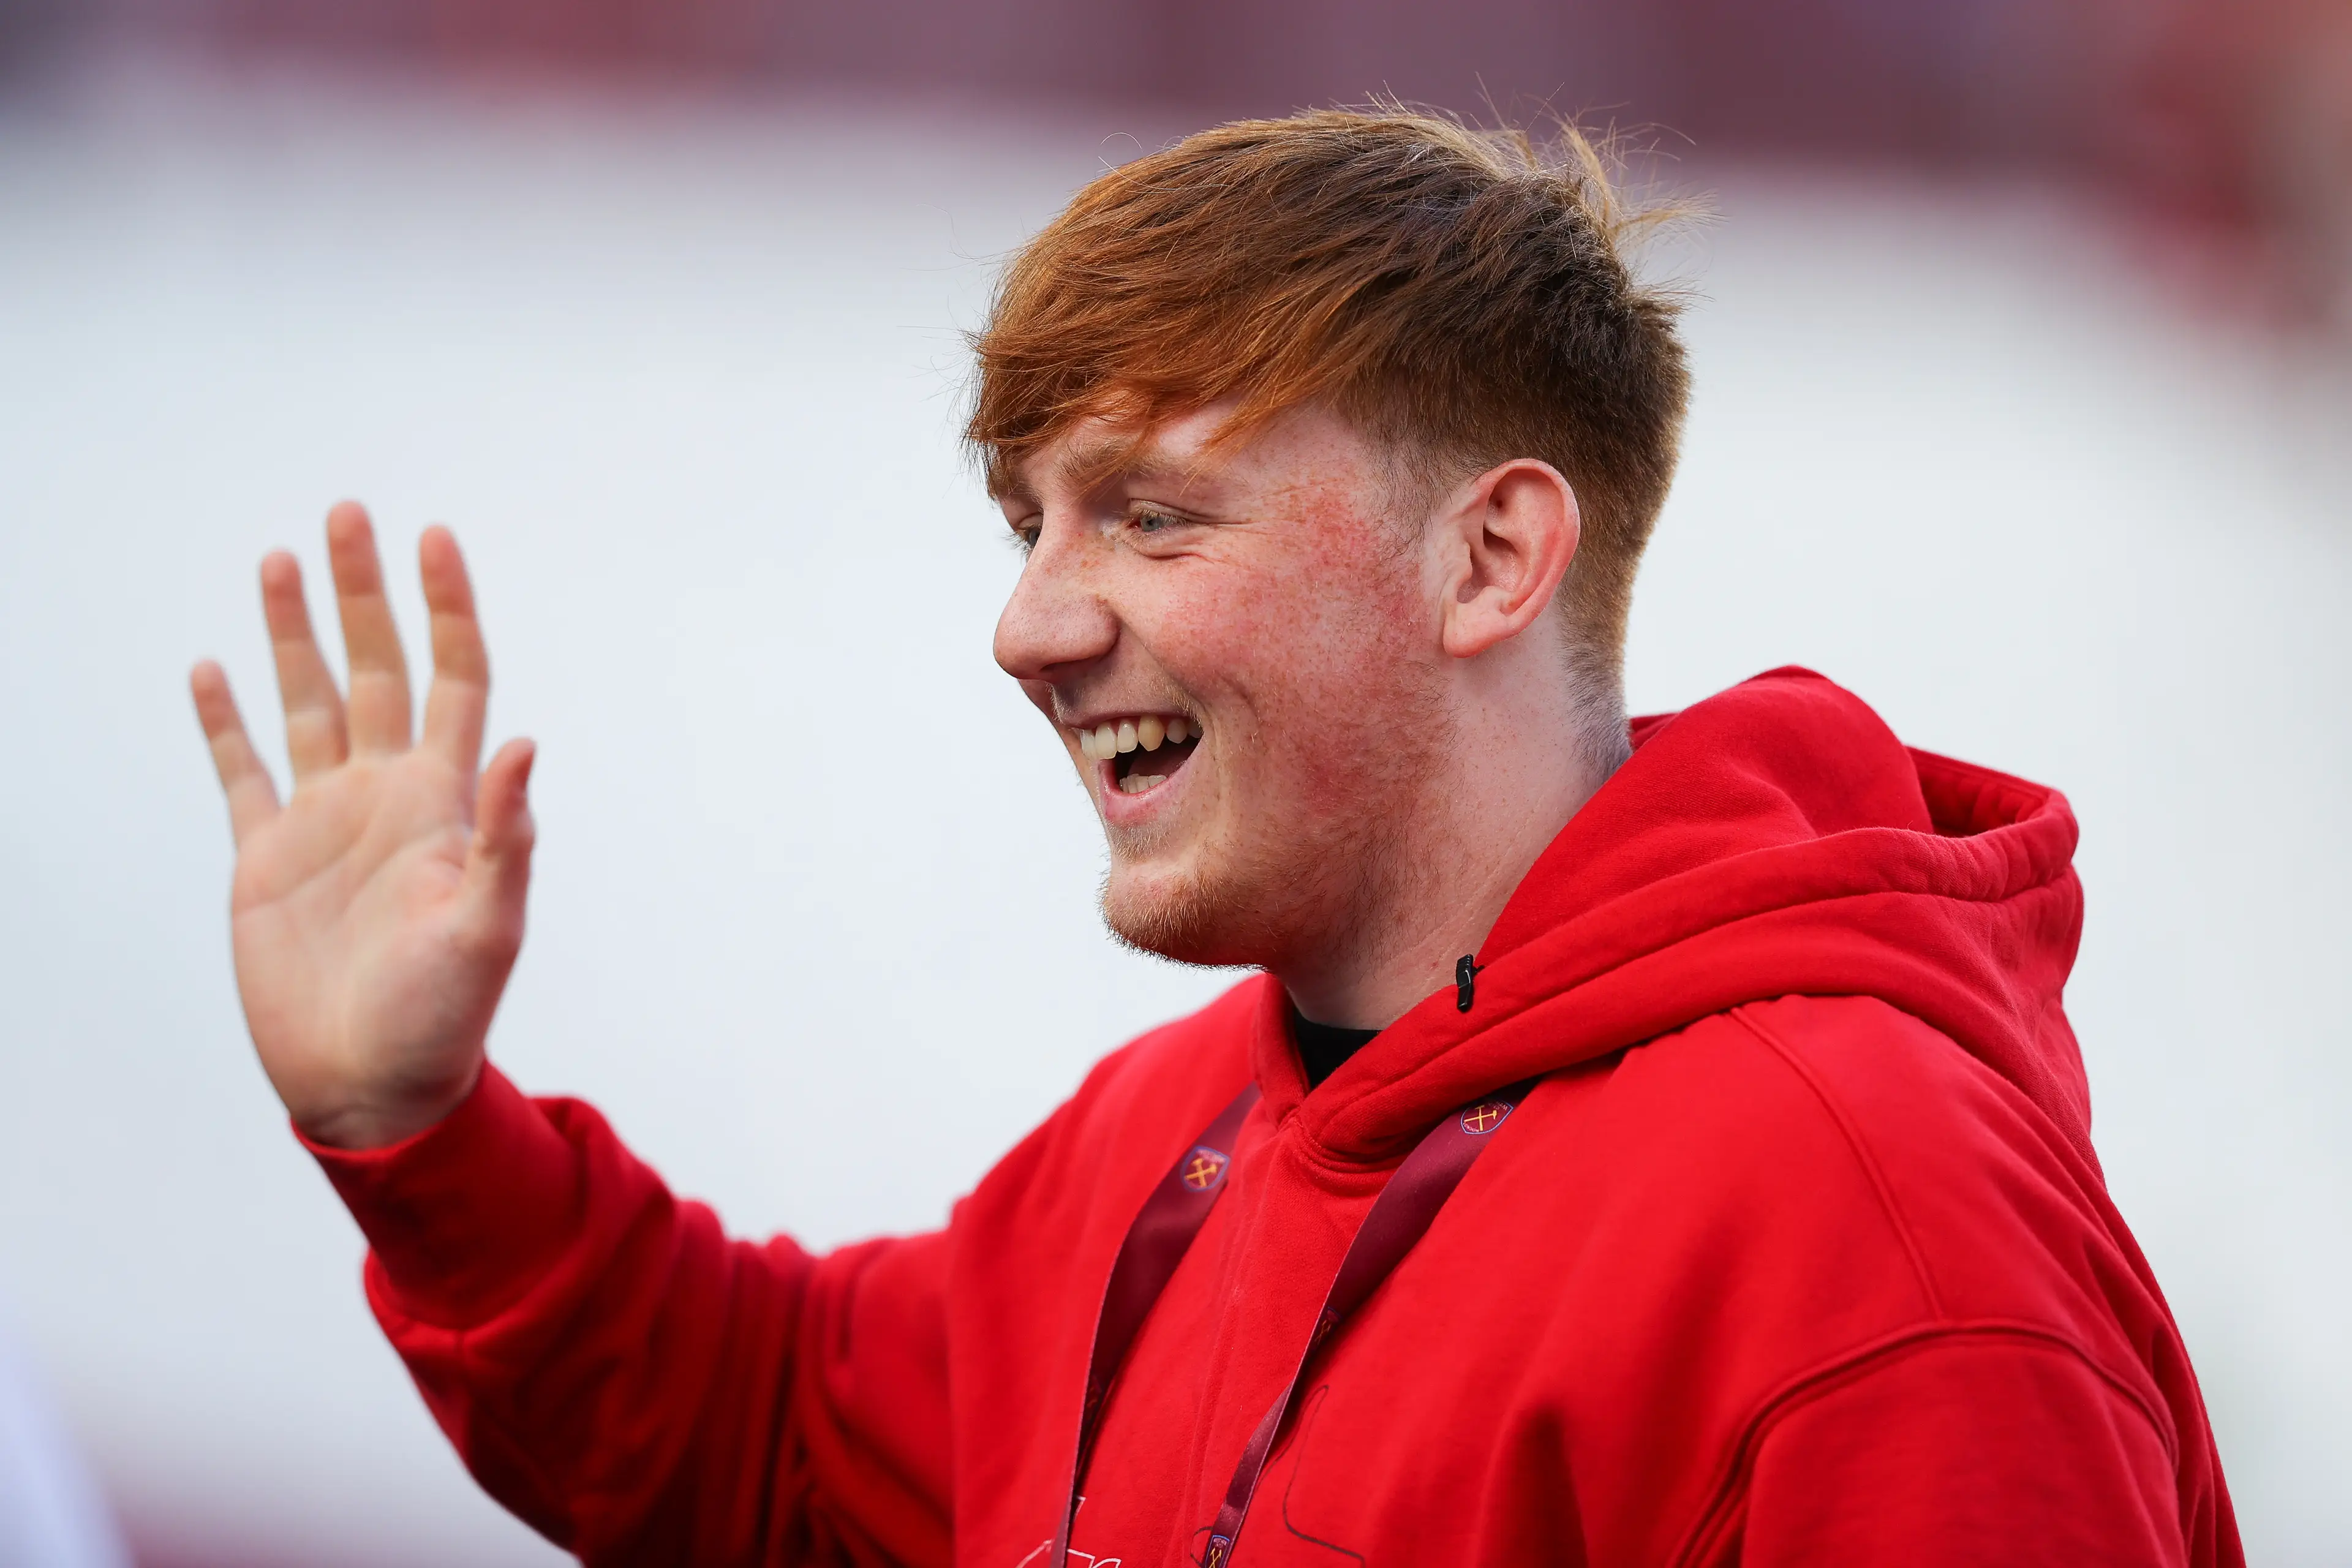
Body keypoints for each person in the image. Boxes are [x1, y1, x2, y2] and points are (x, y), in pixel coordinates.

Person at [188, 110, 2242, 1567]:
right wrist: (419, 1127)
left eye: (1156, 515)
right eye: (1032, 527)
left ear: (1494, 552)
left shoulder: (1865, 1239)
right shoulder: (1165, 1149)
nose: (1027, 629)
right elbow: (786, 1449)